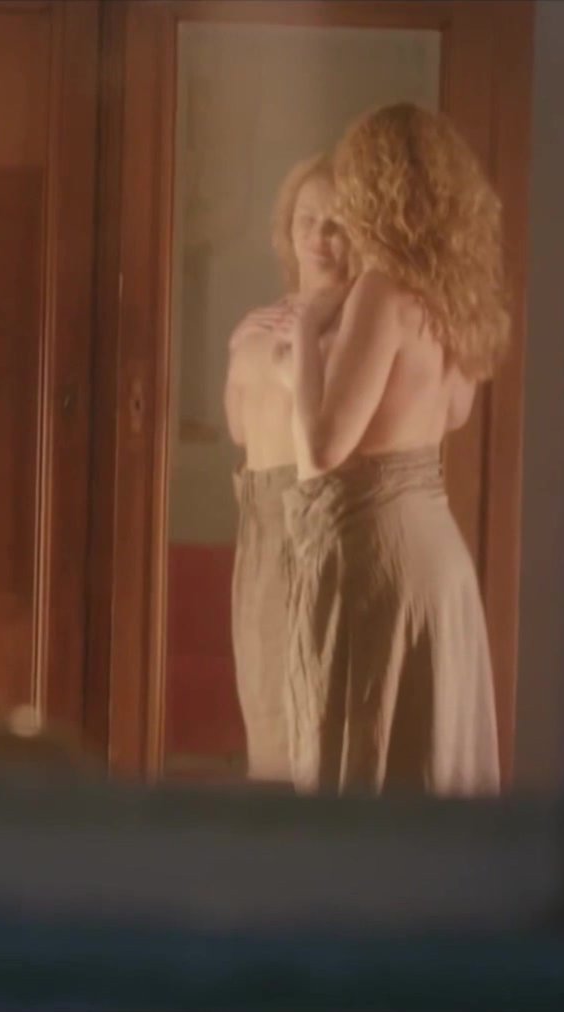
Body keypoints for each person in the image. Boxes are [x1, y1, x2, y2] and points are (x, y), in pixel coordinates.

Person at [278, 103, 509, 796]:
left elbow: (324, 447)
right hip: (439, 555)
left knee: (368, 763)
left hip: (379, 551)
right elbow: (455, 413)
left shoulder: (382, 290)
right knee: (428, 762)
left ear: (374, 187)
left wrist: (304, 338)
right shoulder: (453, 297)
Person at [222, 153, 353, 783]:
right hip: (262, 521)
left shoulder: (362, 321)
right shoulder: (255, 324)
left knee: (324, 724)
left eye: (337, 222)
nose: (319, 236)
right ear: (287, 230)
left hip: (325, 520)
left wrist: (279, 366)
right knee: (268, 708)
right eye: (307, 219)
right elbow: (239, 427)